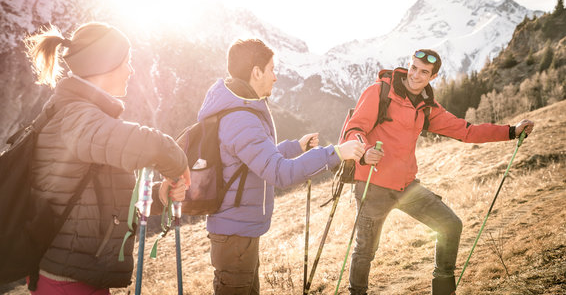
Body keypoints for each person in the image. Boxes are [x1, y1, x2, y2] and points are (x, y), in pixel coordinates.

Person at [343, 49, 535, 295]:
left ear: (432, 77)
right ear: (408, 66)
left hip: (406, 187)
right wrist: (365, 152)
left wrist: (510, 131)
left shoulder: (427, 108)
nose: (415, 75)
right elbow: (355, 129)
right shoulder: (379, 92)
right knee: (365, 251)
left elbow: (466, 131)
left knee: (450, 225)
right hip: (373, 185)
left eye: (424, 72)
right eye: (413, 68)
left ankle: (444, 290)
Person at [24, 22, 190, 294]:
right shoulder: (78, 117)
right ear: (104, 65)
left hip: (77, 274)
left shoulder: (80, 115)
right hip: (67, 282)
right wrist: (177, 160)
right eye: (127, 61)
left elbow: (100, 203)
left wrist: (159, 197)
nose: (131, 70)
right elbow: (143, 144)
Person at [198, 38, 365, 294]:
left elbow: (255, 161)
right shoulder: (242, 118)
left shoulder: (240, 111)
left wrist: (295, 147)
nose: (275, 77)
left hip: (238, 233)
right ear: (256, 72)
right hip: (235, 238)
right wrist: (335, 153)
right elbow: (279, 173)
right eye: (272, 69)